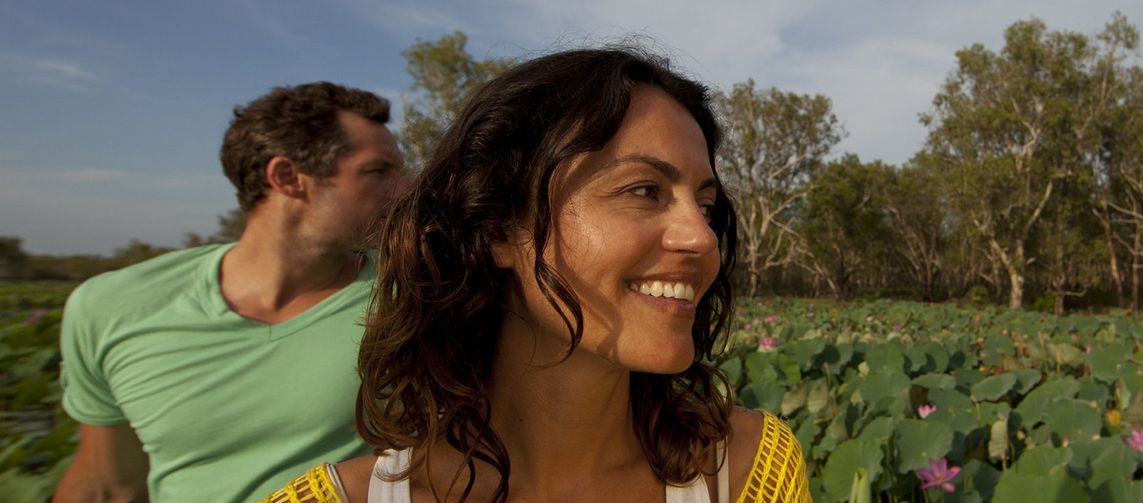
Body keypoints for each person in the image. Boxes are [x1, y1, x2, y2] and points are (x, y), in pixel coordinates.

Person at [260, 47, 811, 503]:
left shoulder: (751, 473)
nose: (702, 237)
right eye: (644, 190)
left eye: (707, 205)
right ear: (498, 228)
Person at [54, 82, 408, 502]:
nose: (403, 191)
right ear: (288, 177)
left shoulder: (416, 293)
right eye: (377, 172)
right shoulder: (110, 307)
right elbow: (107, 483)